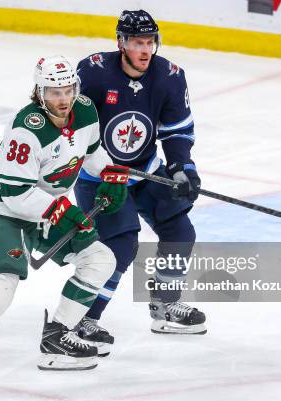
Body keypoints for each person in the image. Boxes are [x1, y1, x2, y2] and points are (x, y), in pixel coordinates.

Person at [0, 55, 129, 397]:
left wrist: (110, 172)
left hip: (49, 207)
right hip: (5, 208)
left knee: (100, 259)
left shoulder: (86, 111)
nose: (62, 99)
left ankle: (57, 338)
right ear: (39, 92)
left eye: (67, 90)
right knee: (1, 284)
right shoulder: (27, 128)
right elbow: (16, 194)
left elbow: (90, 153)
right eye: (53, 92)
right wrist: (65, 211)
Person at [73, 10, 207, 357]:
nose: (145, 50)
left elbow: (176, 132)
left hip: (145, 170)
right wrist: (101, 168)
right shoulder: (93, 73)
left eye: (149, 42)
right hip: (99, 177)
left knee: (180, 231)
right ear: (121, 44)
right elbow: (74, 130)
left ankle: (164, 304)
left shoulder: (170, 77)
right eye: (137, 43)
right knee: (121, 247)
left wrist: (182, 169)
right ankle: (85, 318)